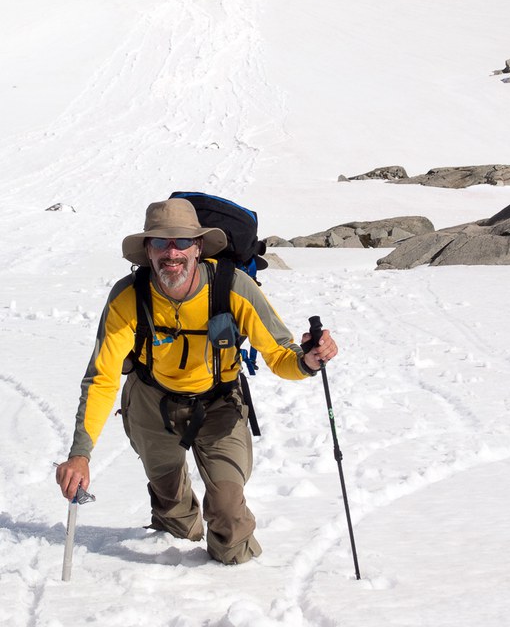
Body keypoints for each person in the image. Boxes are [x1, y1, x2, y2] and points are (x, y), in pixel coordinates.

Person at [55, 198, 337, 564]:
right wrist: (80, 453)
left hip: (220, 403)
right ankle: (174, 557)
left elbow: (280, 354)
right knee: (172, 511)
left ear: (199, 247)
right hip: (150, 403)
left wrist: (308, 361)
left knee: (228, 512)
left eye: (182, 241)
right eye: (161, 242)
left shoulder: (233, 288)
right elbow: (102, 378)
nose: (172, 252)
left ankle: (234, 586)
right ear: (147, 250)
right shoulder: (128, 297)